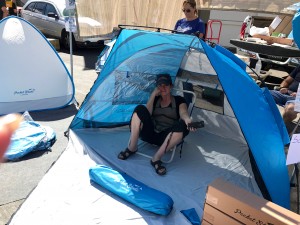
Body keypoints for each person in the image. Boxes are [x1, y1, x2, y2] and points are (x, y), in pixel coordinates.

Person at [118, 74, 198, 175]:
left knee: (183, 126)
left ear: (171, 86)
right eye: (160, 85)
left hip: (165, 138)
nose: (163, 88)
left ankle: (156, 159)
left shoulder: (179, 100)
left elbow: (183, 113)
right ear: (157, 87)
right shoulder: (155, 99)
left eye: (166, 85)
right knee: (140, 109)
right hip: (150, 133)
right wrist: (153, 95)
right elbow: (147, 114)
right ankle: (132, 147)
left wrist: (187, 120)